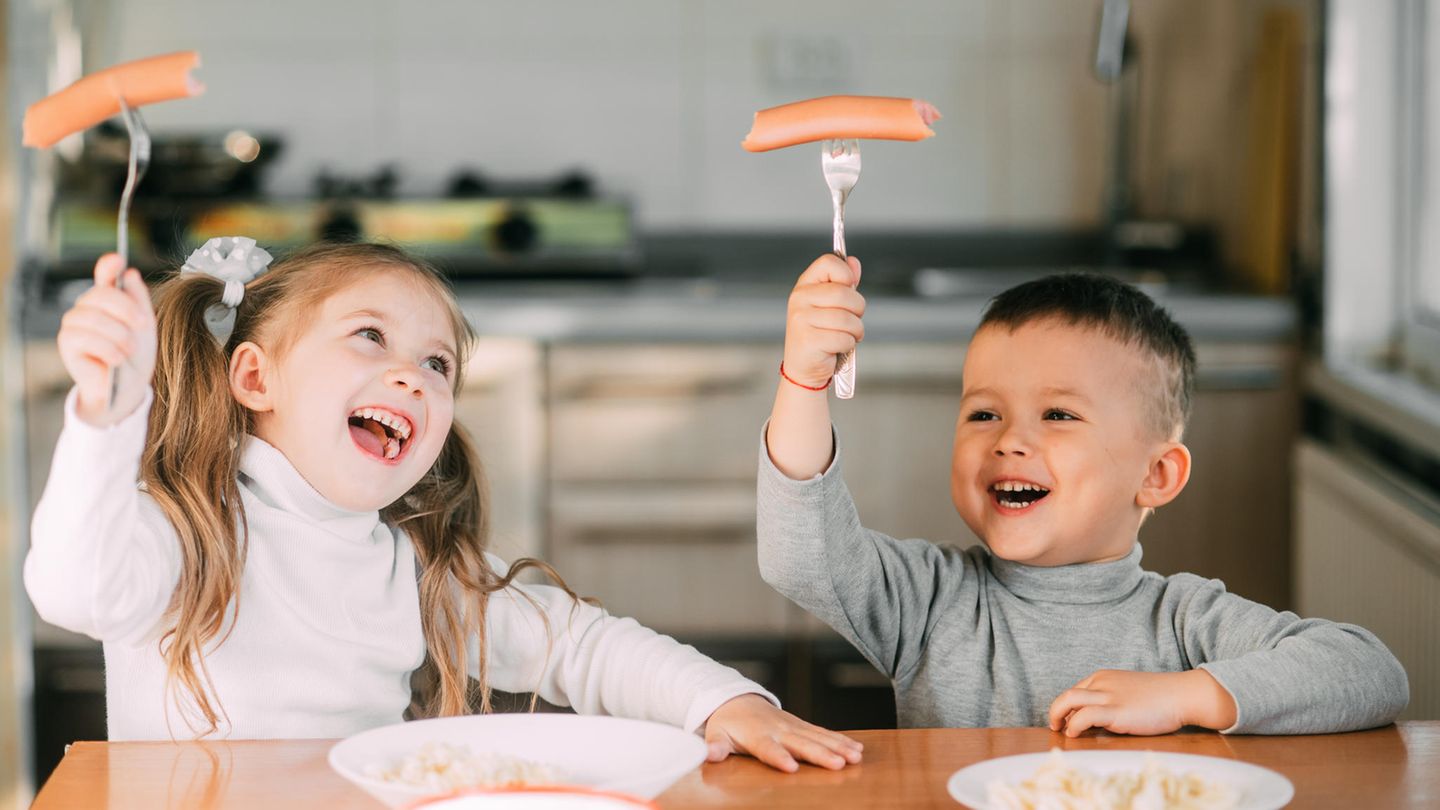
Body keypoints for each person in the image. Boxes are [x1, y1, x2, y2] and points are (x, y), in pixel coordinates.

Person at [26, 238, 862, 773]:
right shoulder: (183, 530)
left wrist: (724, 702)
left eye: (438, 365)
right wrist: (107, 415)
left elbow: (580, 646)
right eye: (370, 337)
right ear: (255, 378)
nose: (413, 376)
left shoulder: (416, 570)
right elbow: (73, 591)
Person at [758, 254, 1409, 735]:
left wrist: (1187, 696)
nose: (1009, 441)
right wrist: (803, 379)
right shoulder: (926, 601)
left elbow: (1371, 672)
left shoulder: (1184, 621)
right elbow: (801, 556)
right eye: (984, 415)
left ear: (1156, 476)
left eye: (1059, 416)